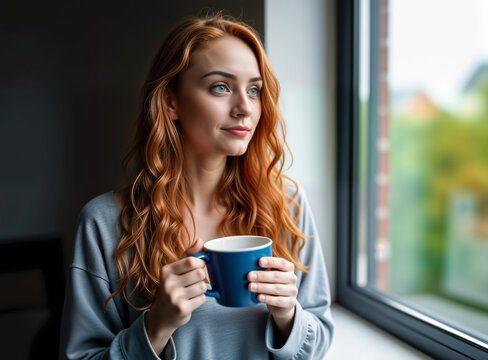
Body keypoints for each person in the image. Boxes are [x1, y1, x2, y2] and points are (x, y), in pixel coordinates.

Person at [60, 14, 333, 359]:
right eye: (220, 86)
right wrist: (157, 324)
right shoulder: (104, 223)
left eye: (254, 90)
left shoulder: (288, 204)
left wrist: (288, 315)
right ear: (171, 103)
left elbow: (319, 339)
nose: (245, 108)